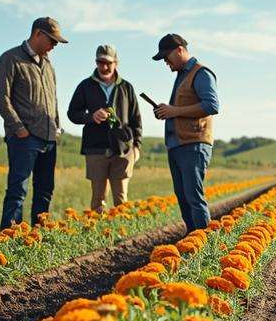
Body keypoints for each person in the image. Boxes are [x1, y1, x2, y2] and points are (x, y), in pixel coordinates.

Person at [0, 17, 67, 230]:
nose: (54, 46)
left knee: (45, 191)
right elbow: (1, 97)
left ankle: (37, 237)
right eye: (52, 41)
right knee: (18, 191)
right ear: (37, 34)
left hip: (49, 138)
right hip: (24, 138)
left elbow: (54, 101)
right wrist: (18, 128)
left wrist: (57, 128)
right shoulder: (10, 58)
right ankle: (9, 241)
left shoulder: (48, 65)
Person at [151, 33, 219, 232]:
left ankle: (204, 244)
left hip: (194, 144)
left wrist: (174, 111)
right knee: (183, 197)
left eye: (166, 56)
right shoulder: (182, 75)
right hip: (178, 145)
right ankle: (193, 239)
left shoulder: (201, 73)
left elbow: (212, 105)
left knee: (193, 197)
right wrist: (167, 112)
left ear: (180, 50)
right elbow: (184, 108)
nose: (165, 62)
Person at [67, 45, 144, 211]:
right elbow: (72, 113)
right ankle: (100, 235)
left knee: (121, 201)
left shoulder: (126, 87)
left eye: (108, 62)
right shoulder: (85, 86)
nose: (104, 67)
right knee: (97, 202)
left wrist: (137, 147)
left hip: (123, 150)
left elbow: (136, 119)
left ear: (116, 63)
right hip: (95, 149)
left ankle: (123, 235)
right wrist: (90, 116)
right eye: (100, 62)